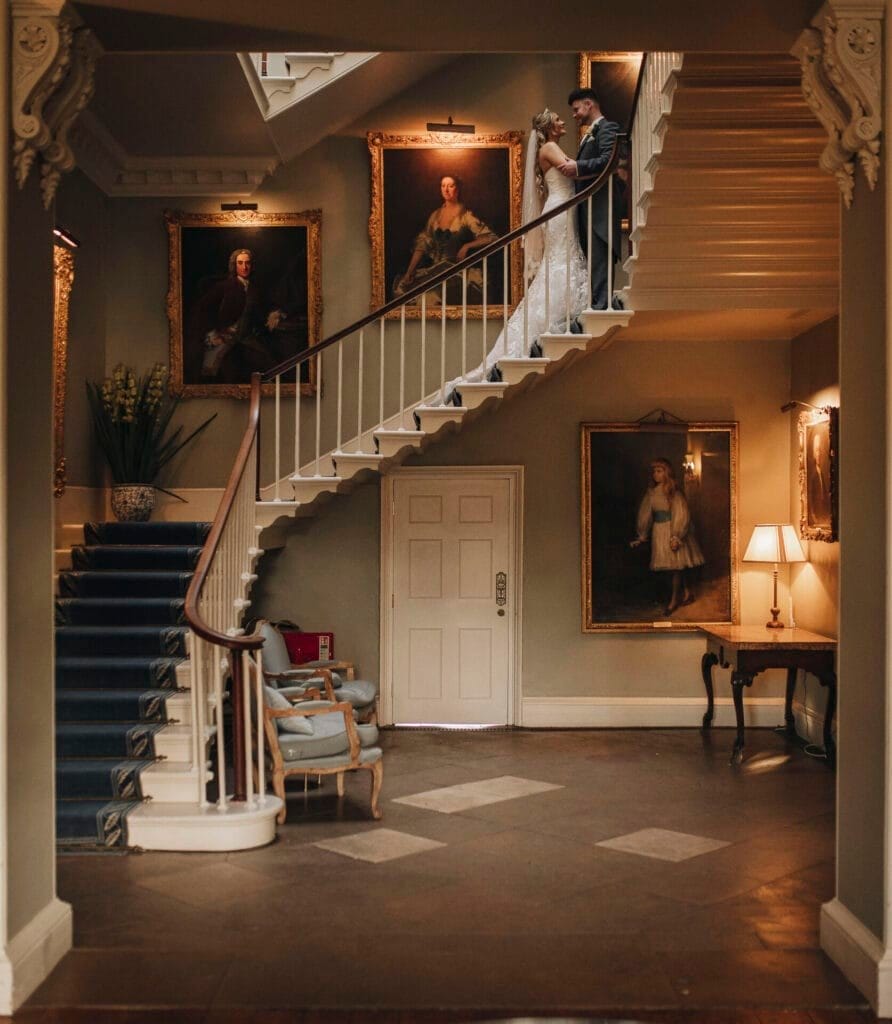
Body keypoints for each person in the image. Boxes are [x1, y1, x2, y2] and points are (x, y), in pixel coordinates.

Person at [435, 109, 590, 405]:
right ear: (548, 127)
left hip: (563, 207)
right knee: (559, 260)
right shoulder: (549, 147)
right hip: (559, 209)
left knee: (562, 259)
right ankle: (558, 309)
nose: (562, 122)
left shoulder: (551, 146)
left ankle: (565, 306)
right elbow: (571, 169)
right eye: (557, 119)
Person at [558, 87, 625, 311]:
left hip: (600, 208)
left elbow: (609, 160)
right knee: (592, 260)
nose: (574, 114)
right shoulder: (589, 134)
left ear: (589, 104)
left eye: (576, 109)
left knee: (600, 257)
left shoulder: (607, 128)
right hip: (588, 208)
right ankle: (596, 303)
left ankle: (601, 305)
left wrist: (577, 166)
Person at [393, 175, 497, 306]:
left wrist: (467, 246)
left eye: (450, 186)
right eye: (443, 186)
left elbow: (491, 238)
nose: (446, 189)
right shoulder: (435, 215)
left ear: (457, 190)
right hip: (435, 270)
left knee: (430, 296)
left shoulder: (466, 215)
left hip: (455, 270)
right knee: (404, 289)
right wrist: (410, 271)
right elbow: (422, 244)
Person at [191, 248, 286, 383]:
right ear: (234, 266)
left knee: (270, 366)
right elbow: (203, 309)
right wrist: (214, 332)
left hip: (247, 338)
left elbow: (267, 307)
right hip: (225, 338)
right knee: (216, 372)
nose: (244, 267)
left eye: (247, 263)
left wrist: (274, 314)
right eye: (240, 263)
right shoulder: (224, 286)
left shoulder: (255, 289)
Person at [630, 457, 705, 616]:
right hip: (659, 532)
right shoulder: (651, 493)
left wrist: (676, 536)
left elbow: (681, 514)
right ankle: (687, 592)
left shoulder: (674, 492)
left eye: (659, 471)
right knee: (676, 565)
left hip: (673, 530)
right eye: (654, 471)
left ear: (667, 473)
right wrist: (642, 535)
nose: (655, 474)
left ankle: (674, 600)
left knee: (676, 567)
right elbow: (645, 515)